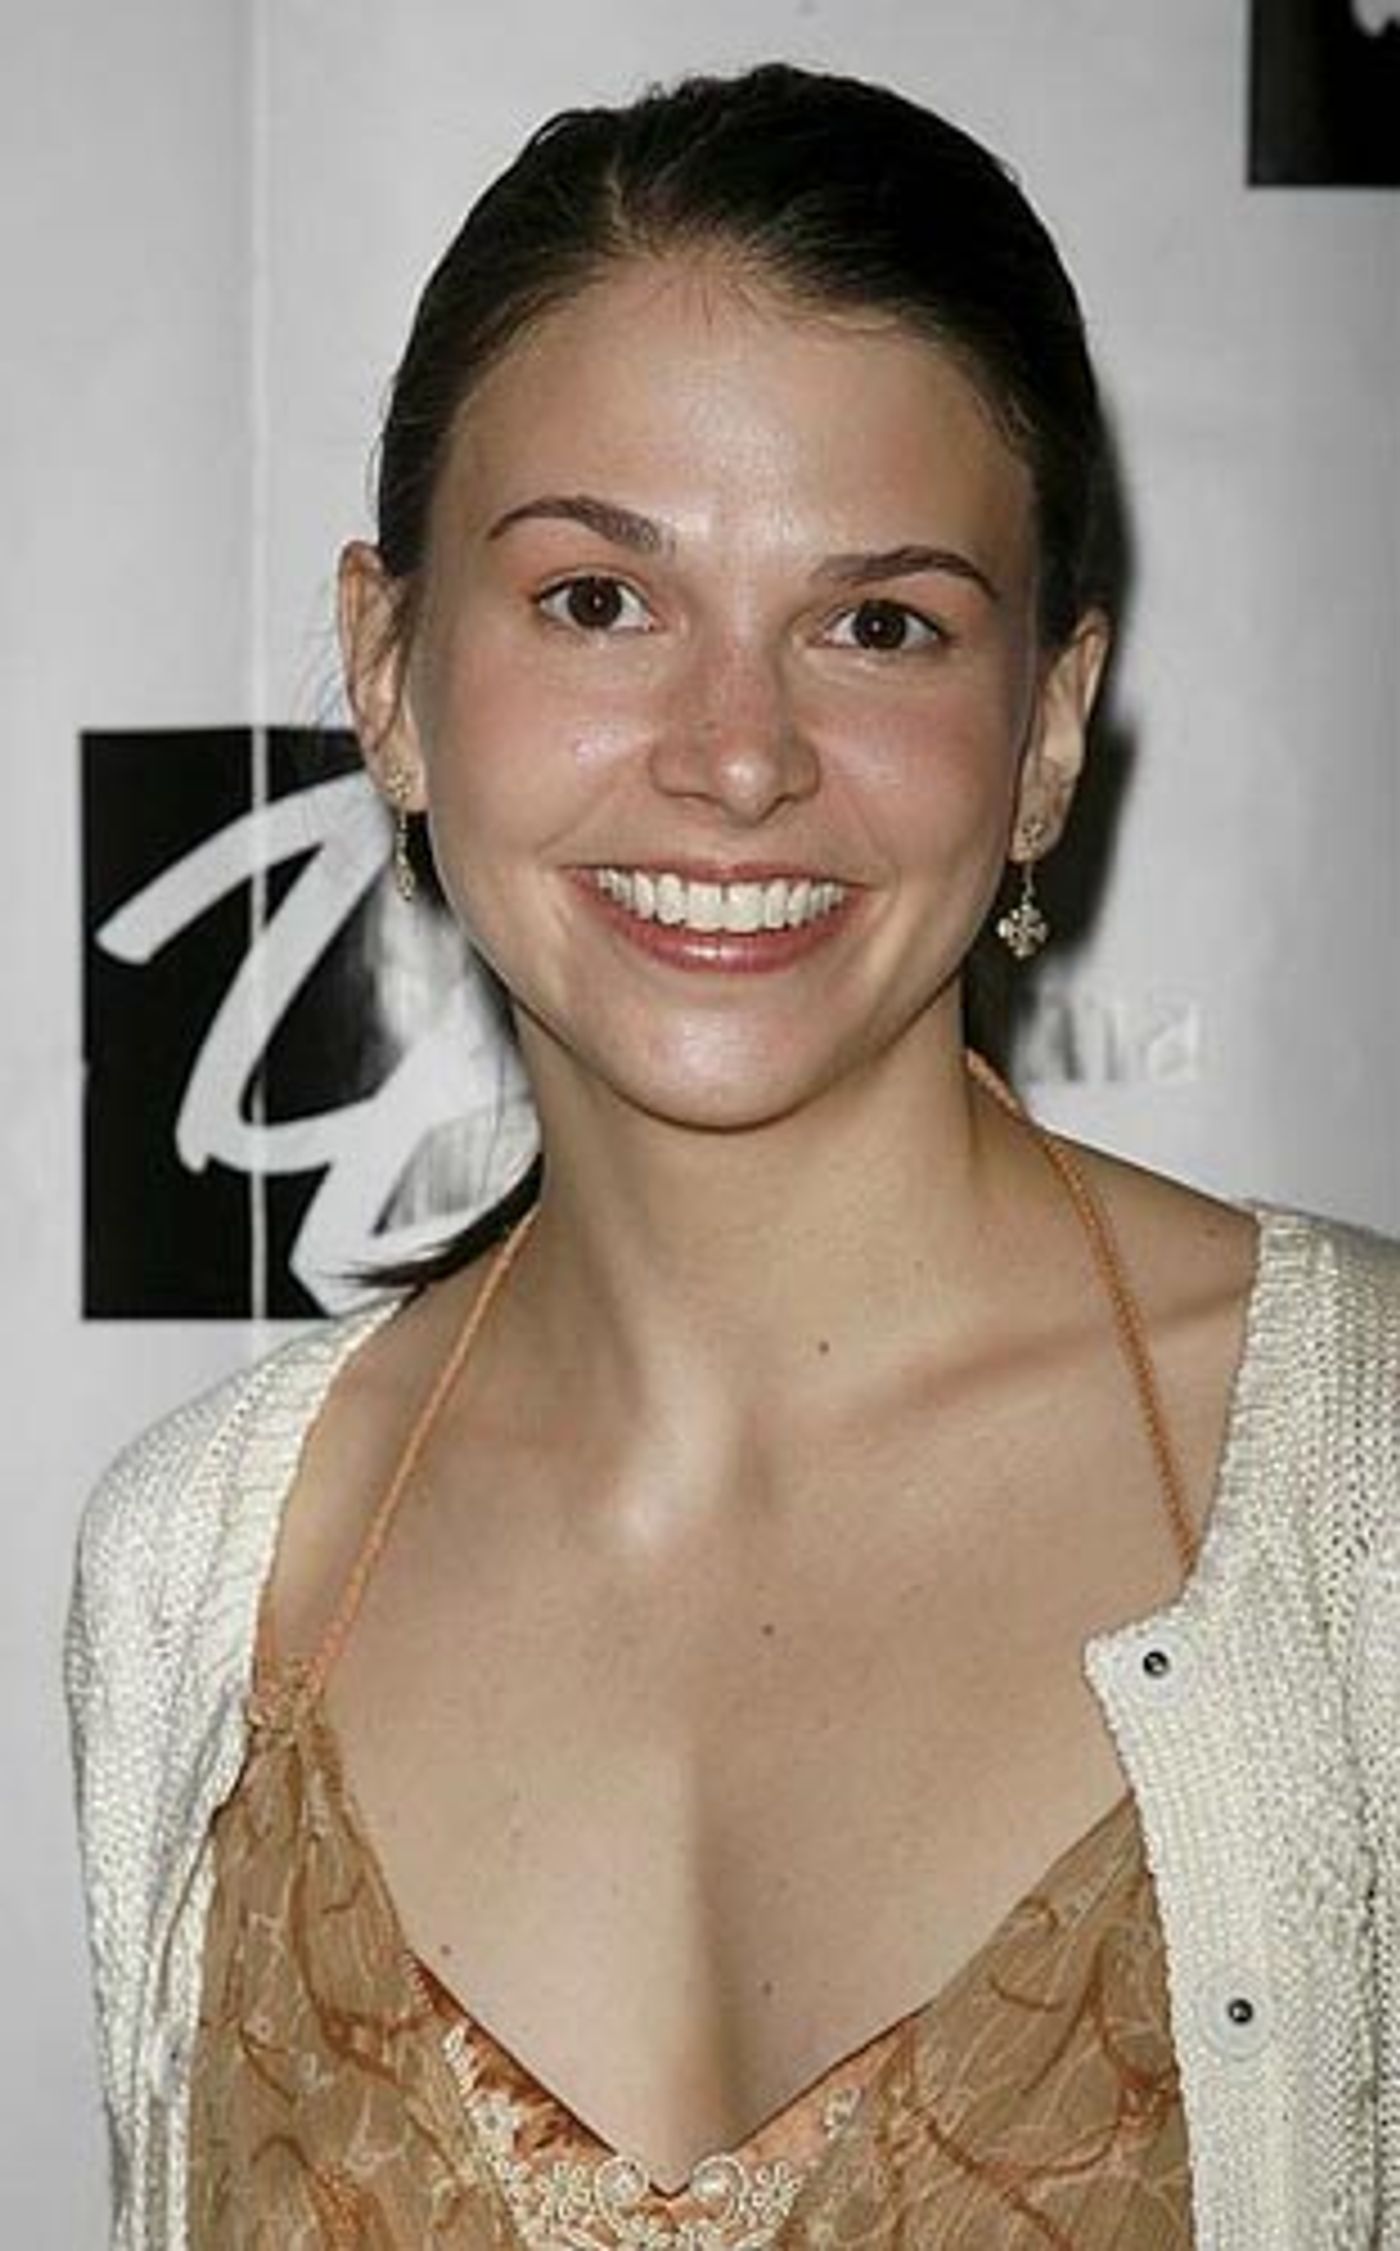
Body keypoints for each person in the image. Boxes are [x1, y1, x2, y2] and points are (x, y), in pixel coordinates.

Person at [67, 62, 1398, 2250]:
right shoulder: (197, 1576)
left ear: (1048, 731)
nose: (739, 756)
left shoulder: (1364, 1484)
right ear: (389, 670)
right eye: (600, 598)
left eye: (879, 624)